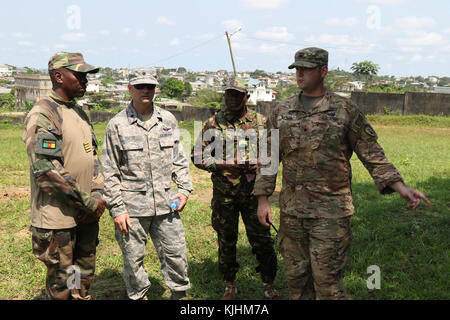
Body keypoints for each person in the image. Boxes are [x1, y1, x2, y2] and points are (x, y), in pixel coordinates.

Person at [254, 47, 431, 300]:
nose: (300, 73)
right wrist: (263, 200)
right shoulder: (281, 111)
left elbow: (372, 153)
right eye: (297, 68)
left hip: (331, 213)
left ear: (323, 71)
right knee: (297, 282)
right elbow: (268, 158)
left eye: (306, 68)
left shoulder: (345, 110)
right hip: (293, 213)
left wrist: (400, 186)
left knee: (328, 284)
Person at [22, 52, 106, 300]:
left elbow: (93, 160)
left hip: (86, 215)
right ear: (58, 76)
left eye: (86, 75)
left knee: (80, 280)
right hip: (59, 219)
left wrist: (98, 194)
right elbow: (47, 171)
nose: (85, 80)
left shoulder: (78, 112)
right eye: (79, 74)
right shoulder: (44, 113)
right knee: (62, 286)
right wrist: (88, 202)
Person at [100, 74, 193, 300]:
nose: (146, 91)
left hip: (165, 204)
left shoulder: (168, 120)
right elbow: (110, 169)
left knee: (176, 255)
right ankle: (138, 296)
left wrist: (183, 189)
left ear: (155, 89)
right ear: (129, 88)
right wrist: (117, 208)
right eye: (140, 87)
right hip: (132, 209)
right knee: (133, 260)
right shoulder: (117, 125)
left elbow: (178, 158)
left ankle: (179, 295)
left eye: (150, 87)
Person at [191, 82, 279, 300]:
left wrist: (259, 162)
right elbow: (197, 156)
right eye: (228, 94)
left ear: (246, 97)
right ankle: (230, 285)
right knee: (226, 239)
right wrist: (221, 164)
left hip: (254, 194)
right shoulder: (213, 123)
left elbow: (275, 152)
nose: (231, 99)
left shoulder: (261, 122)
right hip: (224, 194)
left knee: (262, 239)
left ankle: (269, 284)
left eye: (237, 95)